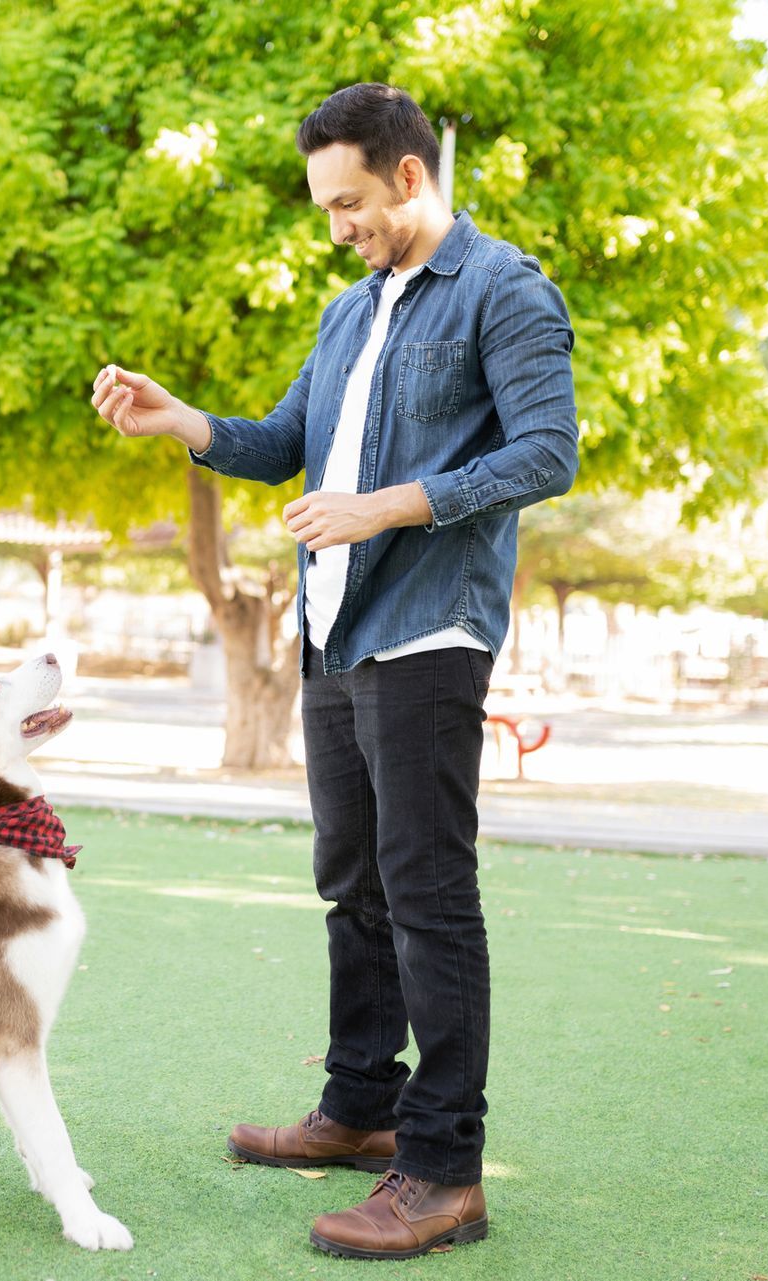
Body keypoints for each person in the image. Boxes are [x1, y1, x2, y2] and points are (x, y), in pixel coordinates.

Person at [91, 82, 579, 1261]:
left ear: (409, 178)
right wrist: (181, 422)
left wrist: (388, 509)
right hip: (334, 634)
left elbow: (547, 452)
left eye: (350, 202)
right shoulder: (348, 315)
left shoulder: (506, 291)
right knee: (351, 883)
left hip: (426, 633)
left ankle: (445, 1168)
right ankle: (360, 1108)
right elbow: (278, 446)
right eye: (324, 207)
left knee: (427, 896)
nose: (338, 225)